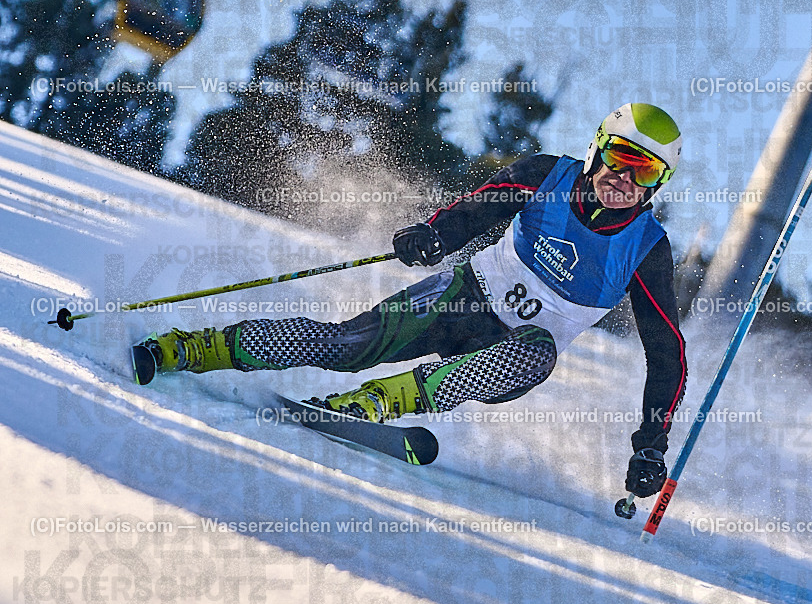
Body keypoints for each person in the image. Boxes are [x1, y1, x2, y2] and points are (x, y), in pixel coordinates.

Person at [138, 103, 688, 499]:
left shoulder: (646, 251)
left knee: (538, 352)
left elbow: (667, 352)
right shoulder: (547, 175)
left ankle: (375, 405)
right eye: (619, 157)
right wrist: (433, 235)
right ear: (597, 148)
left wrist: (651, 445)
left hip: (511, 353)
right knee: (348, 344)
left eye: (644, 171)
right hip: (462, 296)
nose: (623, 178)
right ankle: (194, 348)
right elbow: (477, 209)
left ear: (656, 186)